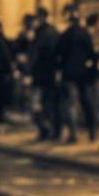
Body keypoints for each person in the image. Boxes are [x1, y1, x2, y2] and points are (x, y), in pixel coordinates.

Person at [57, 6, 97, 144]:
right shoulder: (84, 33)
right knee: (86, 101)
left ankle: (73, 134)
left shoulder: (66, 34)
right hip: (83, 73)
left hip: (69, 73)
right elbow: (91, 53)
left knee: (71, 104)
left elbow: (59, 54)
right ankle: (92, 130)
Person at [29, 8, 62, 140]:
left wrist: (29, 70)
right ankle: (53, 129)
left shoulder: (41, 33)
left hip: (41, 74)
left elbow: (35, 54)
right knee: (51, 103)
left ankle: (45, 129)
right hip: (51, 74)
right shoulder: (53, 32)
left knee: (38, 104)